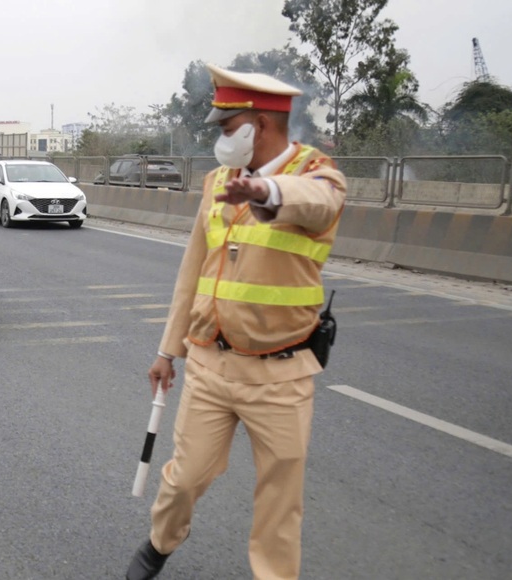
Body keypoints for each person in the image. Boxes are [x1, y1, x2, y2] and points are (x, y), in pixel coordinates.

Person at [125, 64, 347, 580]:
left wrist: (267, 194)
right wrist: (167, 351)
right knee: (183, 479)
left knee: (279, 500)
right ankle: (160, 543)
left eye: (228, 129)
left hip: (282, 374)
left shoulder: (320, 175)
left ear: (261, 125)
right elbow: (192, 271)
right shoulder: (217, 182)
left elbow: (317, 205)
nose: (222, 141)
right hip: (210, 364)